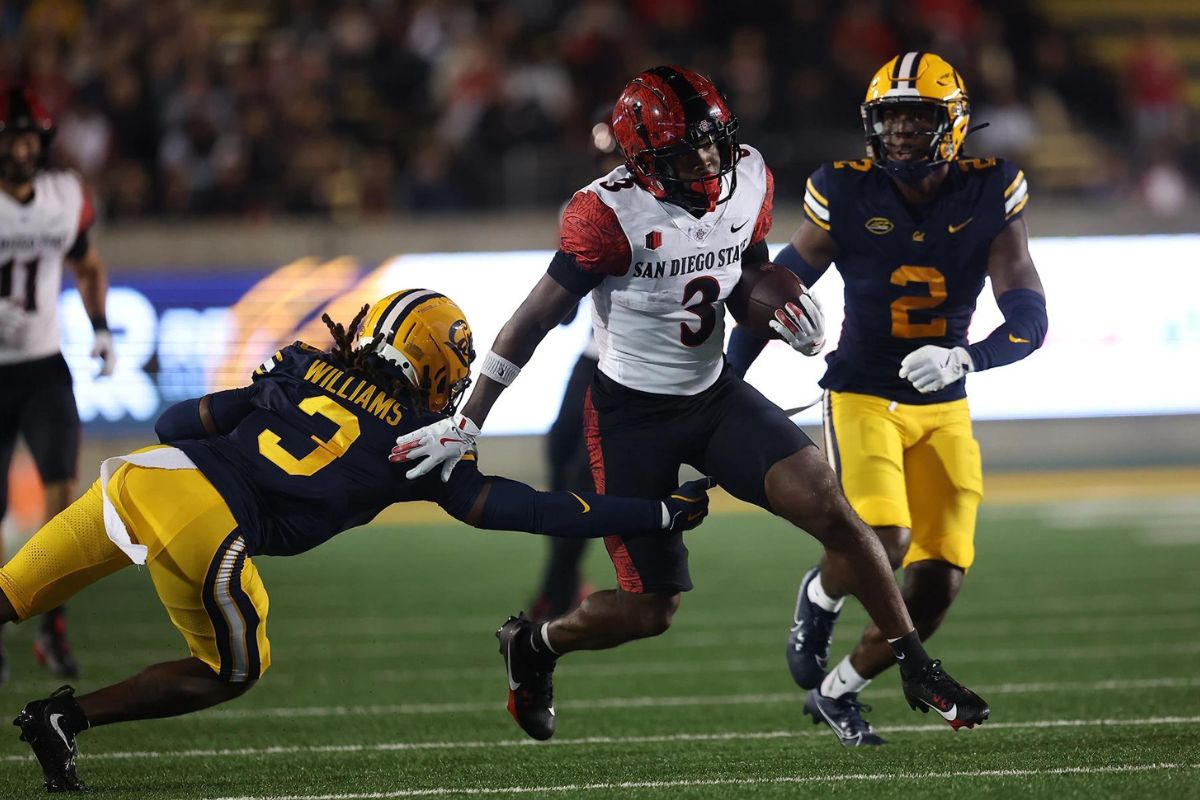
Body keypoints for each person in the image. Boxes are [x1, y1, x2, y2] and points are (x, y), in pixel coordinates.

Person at [391, 65, 990, 743]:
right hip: (629, 415)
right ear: (643, 160)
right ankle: (535, 645)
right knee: (650, 611)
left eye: (713, 141)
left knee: (838, 513)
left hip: (713, 395)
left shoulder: (750, 176)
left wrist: (778, 304)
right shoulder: (607, 213)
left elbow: (745, 269)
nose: (707, 160)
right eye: (686, 150)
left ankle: (914, 663)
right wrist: (470, 419)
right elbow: (528, 324)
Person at [0, 289, 712, 792]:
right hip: (209, 525)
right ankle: (67, 715)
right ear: (436, 367)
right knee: (234, 669)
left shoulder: (304, 365)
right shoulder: (420, 441)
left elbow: (176, 423)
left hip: (141, 478)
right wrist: (649, 513)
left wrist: (264, 400)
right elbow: (526, 508)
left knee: (10, 593)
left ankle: (57, 720)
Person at [727, 52, 1049, 747]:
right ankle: (819, 594)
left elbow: (1030, 318)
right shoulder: (844, 190)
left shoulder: (992, 188)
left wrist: (970, 355)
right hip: (862, 391)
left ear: (953, 124)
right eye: (890, 118)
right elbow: (774, 295)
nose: (901, 133)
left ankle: (838, 692)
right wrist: (727, 380)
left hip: (944, 402)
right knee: (888, 538)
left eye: (917, 117)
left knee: (938, 585)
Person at [0, 85, 116, 683]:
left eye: (27, 138)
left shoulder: (63, 194)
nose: (19, 150)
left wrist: (100, 327)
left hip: (44, 364)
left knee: (60, 500)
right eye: (9, 138)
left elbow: (88, 263)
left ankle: (52, 626)